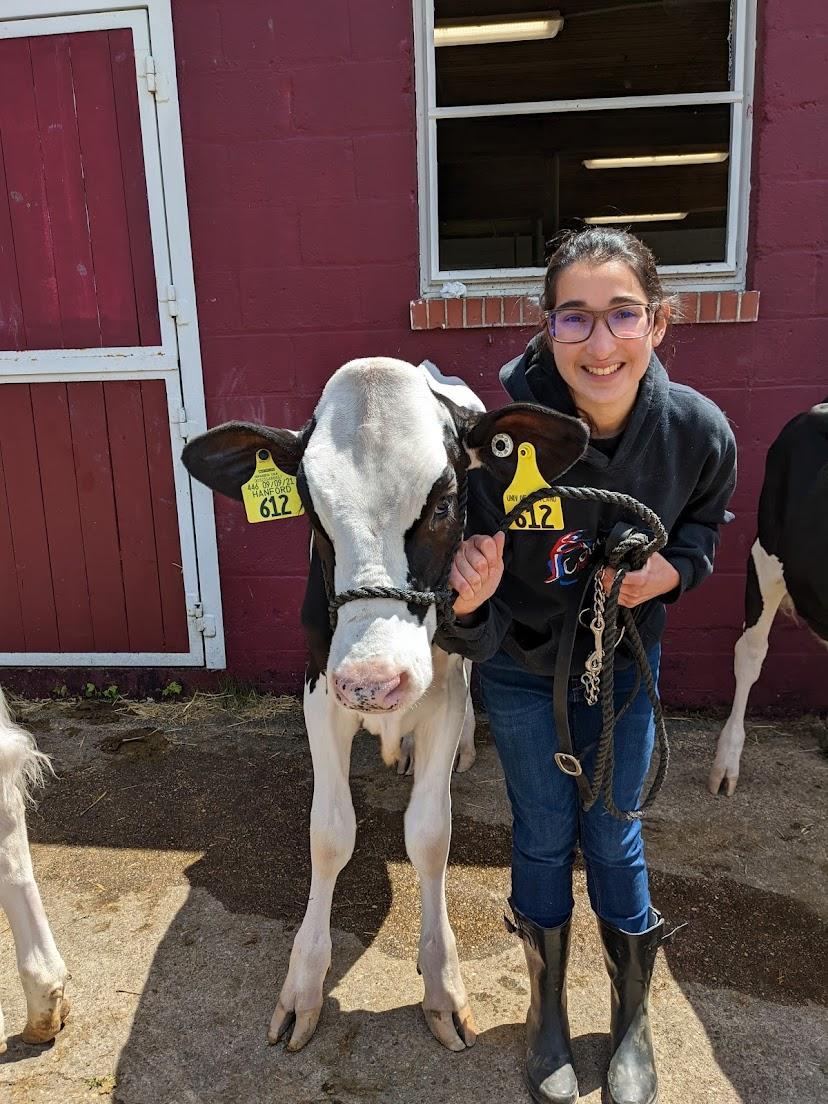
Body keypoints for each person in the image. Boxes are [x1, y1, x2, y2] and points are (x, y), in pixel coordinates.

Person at [435, 227, 737, 1104]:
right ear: (546, 326)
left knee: (614, 831)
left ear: (660, 322)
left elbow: (706, 525)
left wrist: (677, 569)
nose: (600, 344)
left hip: (626, 668)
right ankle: (547, 1014)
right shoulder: (498, 442)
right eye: (575, 318)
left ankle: (631, 1018)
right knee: (539, 831)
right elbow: (464, 601)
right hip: (525, 670)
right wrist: (469, 596)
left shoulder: (695, 433)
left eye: (623, 315)